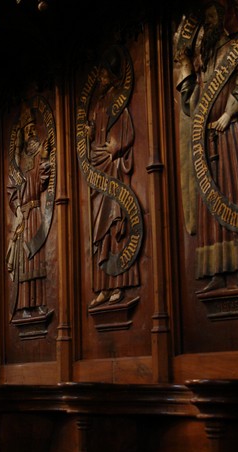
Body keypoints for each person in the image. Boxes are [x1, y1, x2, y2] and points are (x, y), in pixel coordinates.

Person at [176, 1, 238, 293]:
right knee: (210, 205)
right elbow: (190, 104)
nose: (206, 25)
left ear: (223, 20)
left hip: (229, 133)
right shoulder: (205, 60)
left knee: (237, 192)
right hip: (205, 140)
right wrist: (186, 74)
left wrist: (228, 113)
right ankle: (216, 271)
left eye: (211, 18)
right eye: (205, 20)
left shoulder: (236, 48)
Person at [85, 50, 139, 308]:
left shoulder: (118, 97)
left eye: (104, 74)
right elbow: (95, 131)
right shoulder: (98, 102)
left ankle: (119, 285)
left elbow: (127, 130)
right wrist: (89, 134)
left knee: (116, 224)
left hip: (113, 167)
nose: (101, 79)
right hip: (98, 167)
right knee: (100, 227)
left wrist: (117, 147)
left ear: (112, 75)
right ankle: (104, 287)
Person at [7, 105, 52, 317]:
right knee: (24, 261)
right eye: (28, 130)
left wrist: (44, 158)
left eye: (33, 128)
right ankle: (25, 305)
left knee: (36, 256)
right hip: (23, 215)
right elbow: (11, 188)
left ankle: (39, 302)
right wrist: (17, 210)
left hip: (34, 212)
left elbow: (42, 182)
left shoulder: (37, 155)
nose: (32, 132)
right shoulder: (19, 162)